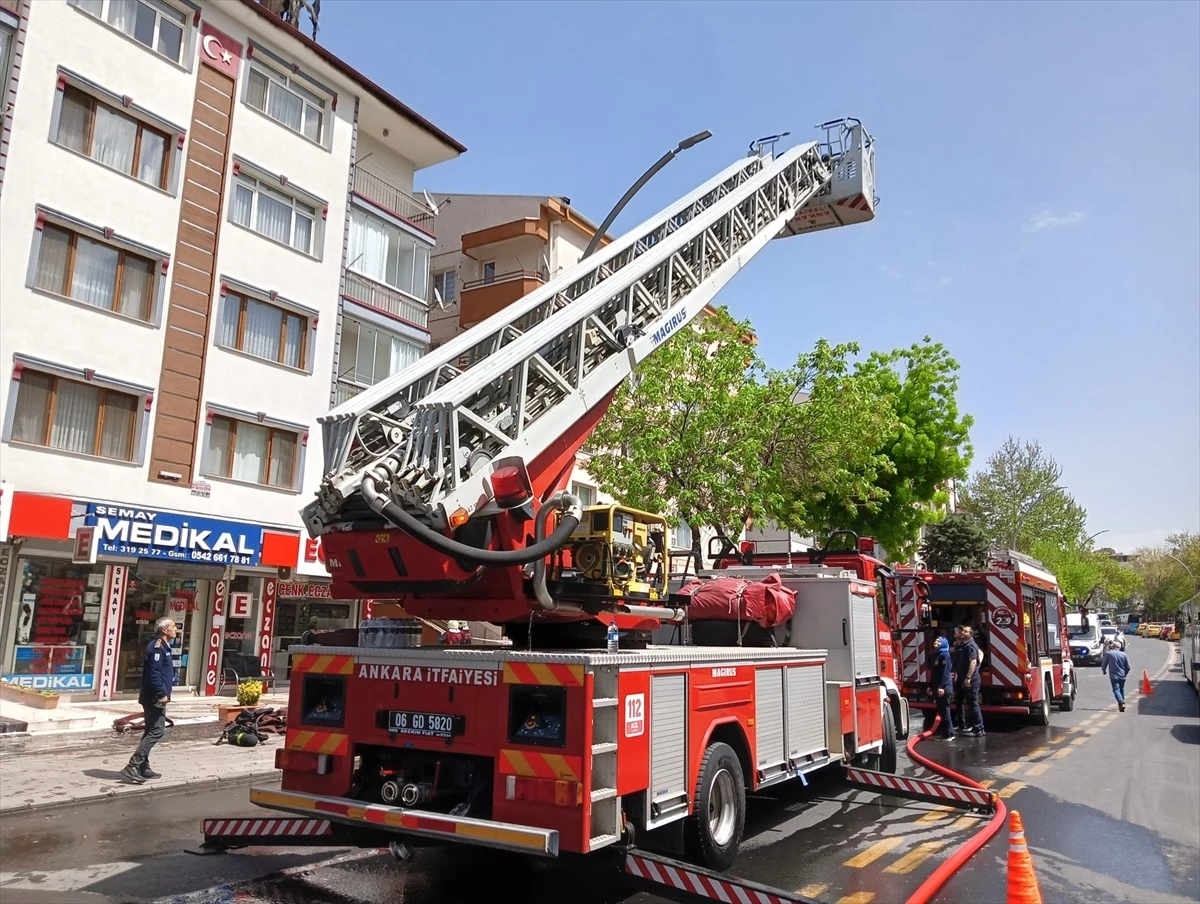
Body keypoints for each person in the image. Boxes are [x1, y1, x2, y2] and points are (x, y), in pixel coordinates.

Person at [121, 617, 177, 783]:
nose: (176, 629)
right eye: (173, 627)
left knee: (150, 730)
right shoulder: (157, 647)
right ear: (164, 630)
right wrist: (161, 694)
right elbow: (154, 673)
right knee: (157, 731)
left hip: (156, 696)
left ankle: (143, 767)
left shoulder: (164, 647)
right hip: (154, 697)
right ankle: (133, 765)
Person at [956, 626, 985, 736]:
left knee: (973, 704)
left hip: (971, 680)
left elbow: (973, 662)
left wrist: (968, 678)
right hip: (965, 678)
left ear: (971, 634)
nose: (963, 632)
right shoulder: (964, 645)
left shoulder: (970, 646)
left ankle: (978, 729)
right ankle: (976, 727)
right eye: (962, 631)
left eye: (966, 631)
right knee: (969, 703)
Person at [931, 635, 956, 739]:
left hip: (944, 688)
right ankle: (945, 732)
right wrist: (930, 686)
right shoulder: (938, 655)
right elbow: (935, 673)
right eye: (935, 641)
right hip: (937, 687)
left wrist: (942, 687)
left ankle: (949, 734)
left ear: (944, 644)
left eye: (939, 641)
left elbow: (945, 674)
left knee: (945, 711)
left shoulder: (944, 656)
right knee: (941, 710)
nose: (936, 642)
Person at [1101, 639, 1131, 712]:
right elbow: (1128, 667)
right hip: (1122, 675)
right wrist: (1125, 673)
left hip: (1113, 675)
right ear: (1119, 647)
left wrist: (1104, 670)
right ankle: (1122, 704)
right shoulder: (1124, 655)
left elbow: (1104, 663)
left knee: (1116, 689)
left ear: (1112, 646)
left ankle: (1121, 702)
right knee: (1121, 689)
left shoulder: (1109, 654)